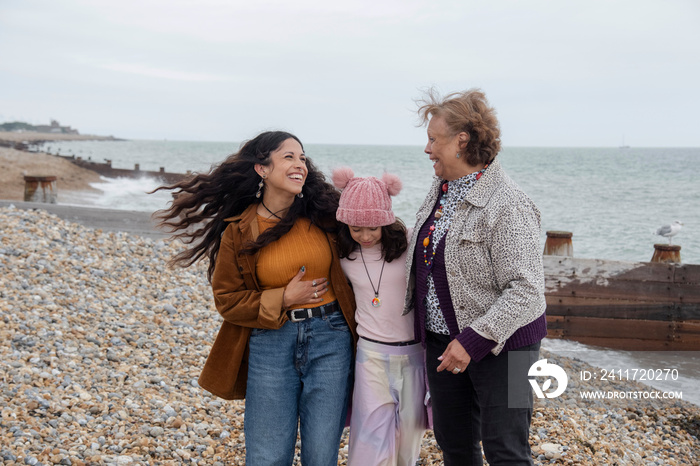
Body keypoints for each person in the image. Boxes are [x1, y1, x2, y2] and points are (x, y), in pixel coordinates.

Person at [153, 131, 357, 466]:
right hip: (271, 343)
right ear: (262, 169)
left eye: (302, 157)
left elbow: (371, 235)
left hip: (332, 337)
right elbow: (228, 300)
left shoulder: (325, 215)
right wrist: (284, 298)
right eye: (288, 156)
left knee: (322, 455)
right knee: (267, 455)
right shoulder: (239, 230)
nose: (299, 164)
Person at [404, 89, 547, 465]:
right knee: (456, 448)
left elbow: (528, 291)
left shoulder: (508, 203)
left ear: (461, 141)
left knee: (508, 452)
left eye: (433, 139)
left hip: (509, 349)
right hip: (444, 345)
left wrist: (472, 340)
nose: (427, 148)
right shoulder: (441, 189)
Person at [332, 167, 426, 466]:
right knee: (369, 439)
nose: (365, 235)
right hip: (370, 354)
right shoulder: (343, 254)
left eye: (373, 227)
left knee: (408, 440)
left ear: (386, 221)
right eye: (356, 228)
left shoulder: (409, 244)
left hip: (414, 354)